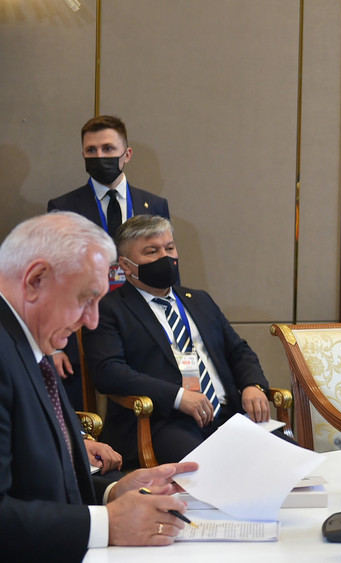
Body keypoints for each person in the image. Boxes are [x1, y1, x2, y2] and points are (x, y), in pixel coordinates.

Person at [0, 212, 196, 560]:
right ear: (34, 280)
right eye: (85, 299)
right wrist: (107, 523)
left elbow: (34, 481)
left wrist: (114, 491)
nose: (91, 320)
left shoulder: (28, 344)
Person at [83, 215, 273, 467]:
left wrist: (252, 385)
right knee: (208, 469)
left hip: (228, 414)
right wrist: (177, 396)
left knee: (286, 460)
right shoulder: (109, 309)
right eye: (152, 251)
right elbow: (108, 372)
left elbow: (238, 351)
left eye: (169, 248)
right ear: (126, 266)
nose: (165, 257)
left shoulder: (200, 300)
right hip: (164, 421)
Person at [46, 115, 171, 409]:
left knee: (145, 411)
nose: (99, 156)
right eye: (91, 150)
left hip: (142, 326)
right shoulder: (63, 208)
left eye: (107, 149)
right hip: (83, 329)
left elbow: (167, 271)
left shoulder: (154, 205)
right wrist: (52, 344)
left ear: (126, 154)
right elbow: (53, 280)